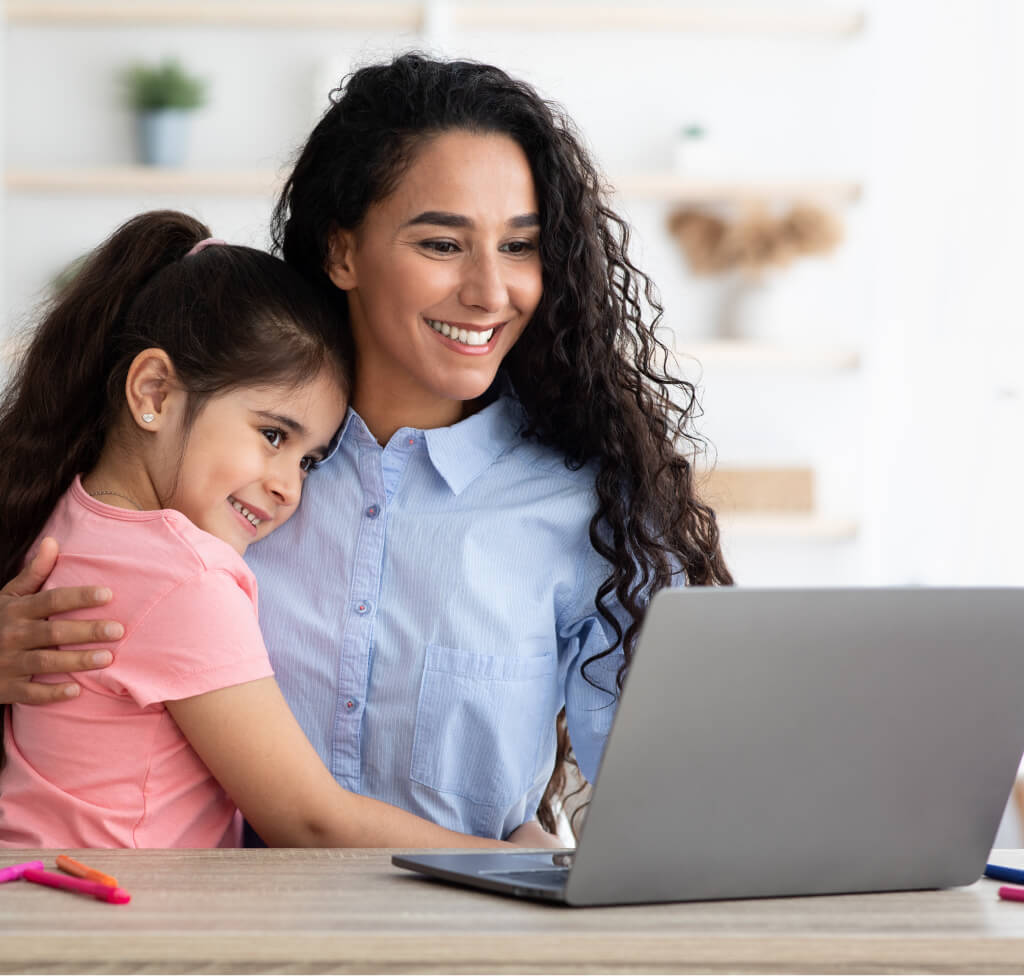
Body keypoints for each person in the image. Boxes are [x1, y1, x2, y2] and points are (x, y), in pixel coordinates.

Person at [0, 54, 732, 842]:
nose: (491, 291)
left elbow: (678, 808)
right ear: (342, 251)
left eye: (520, 246)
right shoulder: (212, 476)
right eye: (443, 244)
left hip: (466, 957)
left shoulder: (589, 507)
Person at [0, 209, 548, 850]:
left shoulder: (72, 517)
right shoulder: (187, 577)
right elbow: (309, 819)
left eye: (310, 460)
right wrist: (513, 864)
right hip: (103, 924)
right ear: (152, 392)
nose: (289, 485)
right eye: (273, 435)